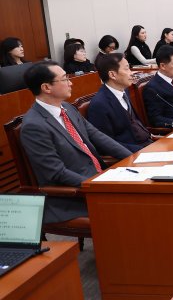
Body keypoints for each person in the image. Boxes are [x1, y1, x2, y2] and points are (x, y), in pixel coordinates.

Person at [19, 62, 131, 224]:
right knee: (136, 204)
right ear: (46, 88)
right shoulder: (34, 126)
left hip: (98, 177)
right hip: (73, 195)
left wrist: (132, 158)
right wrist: (96, 186)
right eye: (64, 79)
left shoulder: (66, 108)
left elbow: (96, 135)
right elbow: (56, 173)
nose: (71, 82)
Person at [88, 54, 153, 152]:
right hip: (133, 154)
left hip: (149, 144)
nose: (131, 73)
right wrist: (141, 150)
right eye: (127, 69)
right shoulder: (99, 104)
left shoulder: (124, 91)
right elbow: (105, 144)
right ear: (112, 75)